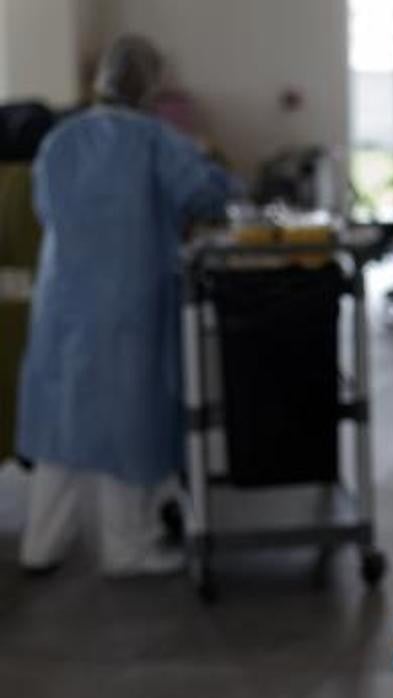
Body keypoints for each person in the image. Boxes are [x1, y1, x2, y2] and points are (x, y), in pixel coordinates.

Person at [17, 35, 237, 575]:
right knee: (126, 422)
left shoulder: (59, 141)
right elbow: (207, 195)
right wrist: (218, 170)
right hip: (129, 301)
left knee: (63, 423)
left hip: (63, 300)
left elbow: (46, 208)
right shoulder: (155, 141)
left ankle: (39, 544)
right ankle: (126, 547)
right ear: (150, 83)